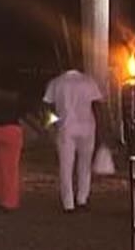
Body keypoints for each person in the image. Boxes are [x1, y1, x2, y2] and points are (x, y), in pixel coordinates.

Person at [43, 66, 105, 211]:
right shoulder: (89, 82)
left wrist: (52, 124)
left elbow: (47, 107)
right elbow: (97, 107)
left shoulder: (56, 82)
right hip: (87, 126)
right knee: (85, 164)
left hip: (65, 127)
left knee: (66, 166)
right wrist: (101, 130)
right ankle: (82, 198)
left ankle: (68, 203)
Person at [0, 66, 27, 211]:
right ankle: (9, 201)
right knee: (10, 168)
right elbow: (23, 113)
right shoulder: (17, 96)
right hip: (11, 130)